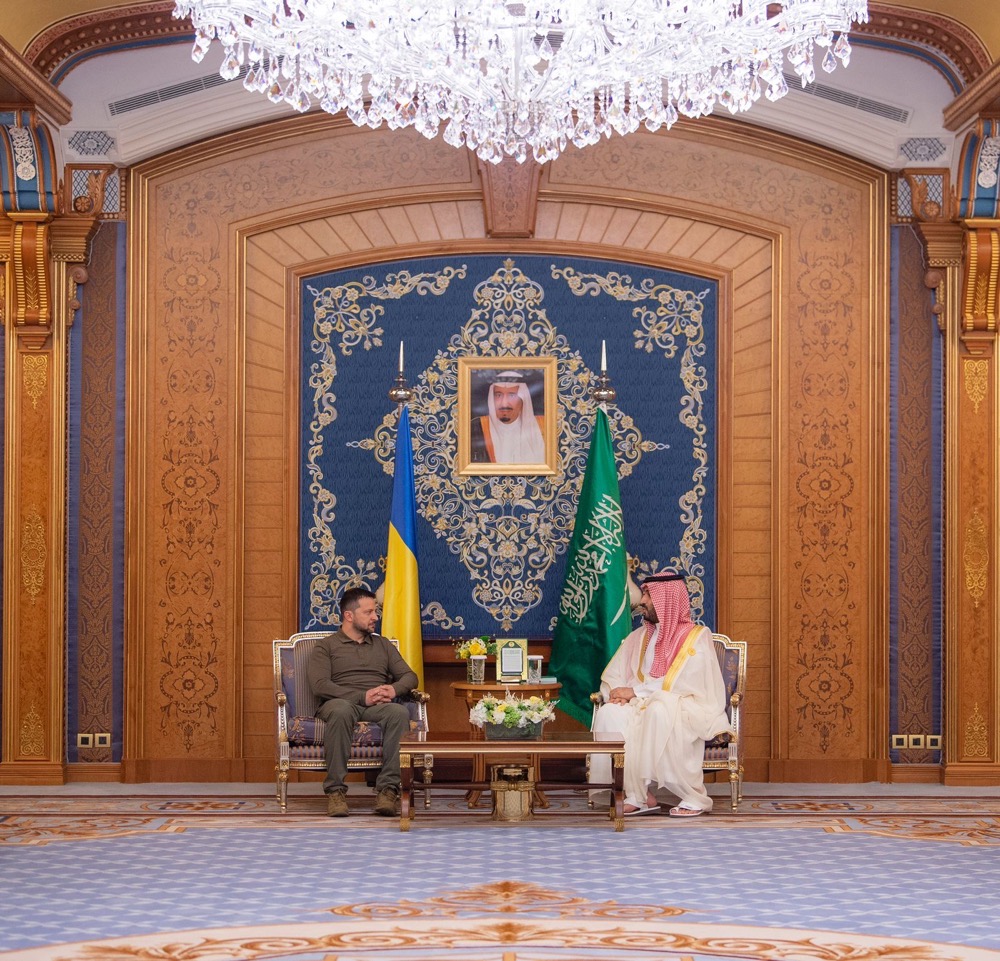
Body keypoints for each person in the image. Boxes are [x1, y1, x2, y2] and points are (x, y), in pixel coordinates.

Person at [589, 573, 732, 817]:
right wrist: (616, 695)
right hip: (642, 703)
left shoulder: (696, 637)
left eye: (648, 595)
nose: (642, 601)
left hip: (687, 706)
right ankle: (638, 794)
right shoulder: (640, 637)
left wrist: (634, 692)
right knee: (610, 713)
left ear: (667, 600)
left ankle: (693, 796)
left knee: (660, 708)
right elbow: (615, 674)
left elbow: (685, 682)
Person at [307, 586, 418, 817]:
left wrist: (393, 689)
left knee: (398, 712)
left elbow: (410, 677)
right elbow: (320, 685)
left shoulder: (383, 644)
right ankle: (335, 792)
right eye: (368, 612)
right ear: (349, 615)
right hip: (339, 703)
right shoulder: (326, 646)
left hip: (376, 706)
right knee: (341, 710)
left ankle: (387, 791)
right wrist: (361, 696)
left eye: (375, 612)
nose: (375, 617)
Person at [470, 370, 546, 464]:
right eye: (498, 395)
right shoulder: (475, 428)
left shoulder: (544, 426)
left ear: (523, 399)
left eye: (512, 395)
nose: (504, 403)